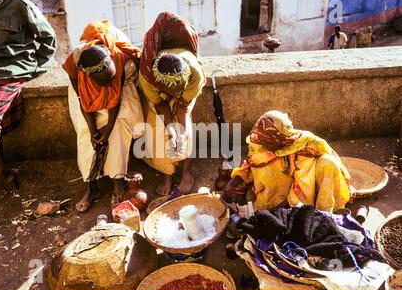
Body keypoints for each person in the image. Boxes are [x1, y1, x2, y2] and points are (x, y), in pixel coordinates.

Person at [0, 0, 56, 203]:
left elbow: (48, 38)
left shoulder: (18, 2)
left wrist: (34, 65)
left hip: (15, 67)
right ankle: (0, 168)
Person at [63, 20, 144, 212]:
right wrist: (93, 130)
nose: (108, 83)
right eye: (103, 81)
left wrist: (107, 130)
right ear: (88, 76)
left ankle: (118, 180)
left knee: (118, 126)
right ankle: (91, 186)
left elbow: (114, 98)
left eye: (110, 78)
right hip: (85, 94)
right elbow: (83, 100)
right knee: (85, 133)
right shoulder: (75, 64)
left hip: (122, 88)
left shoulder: (120, 60)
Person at [223, 110, 352, 213]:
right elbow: (251, 165)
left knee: (328, 163)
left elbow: (303, 180)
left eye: (270, 142)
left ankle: (323, 214)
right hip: (276, 193)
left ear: (281, 139)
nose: (265, 145)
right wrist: (234, 182)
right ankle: (277, 208)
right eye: (264, 141)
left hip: (308, 187)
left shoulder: (305, 144)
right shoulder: (259, 142)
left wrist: (286, 205)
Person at [138, 11, 206, 196]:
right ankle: (167, 173)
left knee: (185, 132)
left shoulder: (194, 74)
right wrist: (169, 128)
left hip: (186, 94)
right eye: (172, 89)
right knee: (158, 130)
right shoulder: (147, 76)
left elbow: (182, 107)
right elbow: (160, 105)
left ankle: (186, 173)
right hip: (159, 94)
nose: (175, 92)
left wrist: (181, 133)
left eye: (179, 87)